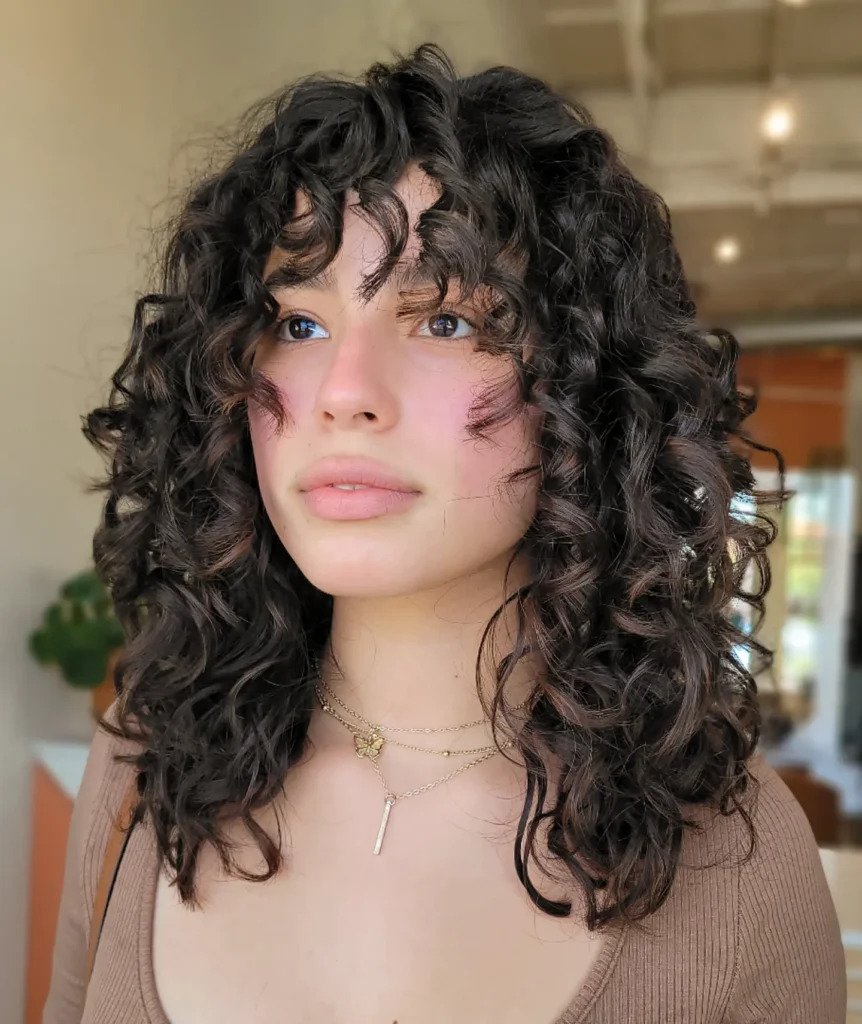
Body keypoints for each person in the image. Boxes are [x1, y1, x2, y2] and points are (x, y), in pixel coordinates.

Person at [45, 44, 846, 1024]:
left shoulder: (739, 863)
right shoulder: (145, 761)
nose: (344, 393)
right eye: (298, 324)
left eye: (446, 320)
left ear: (583, 384)